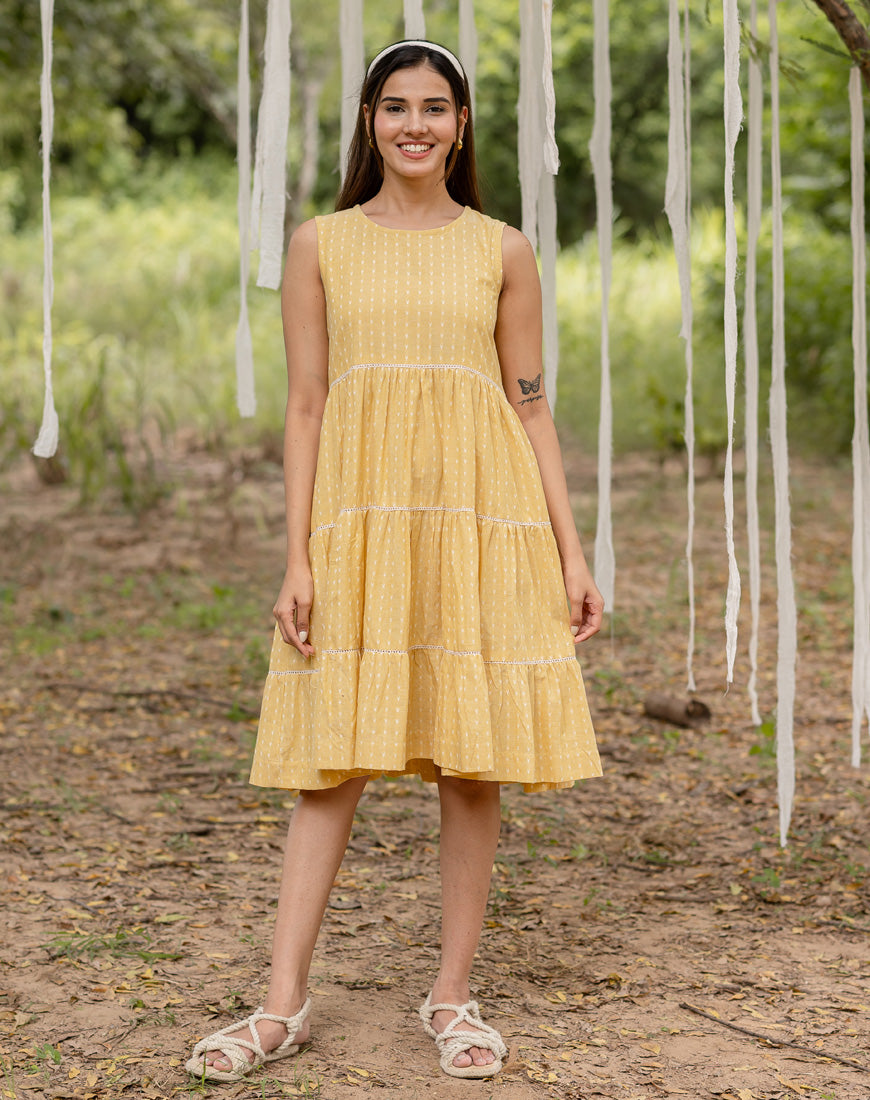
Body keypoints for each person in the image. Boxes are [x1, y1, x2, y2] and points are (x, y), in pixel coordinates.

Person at [186, 38, 603, 1084]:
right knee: (332, 761)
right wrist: (296, 555)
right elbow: (306, 404)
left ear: (461, 125)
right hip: (361, 523)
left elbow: (530, 403)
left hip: (478, 517)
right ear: (370, 121)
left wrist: (571, 546)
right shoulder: (320, 243)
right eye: (394, 106)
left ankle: (453, 992)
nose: (414, 124)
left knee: (470, 761)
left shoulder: (501, 249)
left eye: (434, 107)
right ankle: (282, 1001)